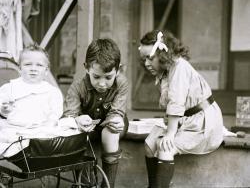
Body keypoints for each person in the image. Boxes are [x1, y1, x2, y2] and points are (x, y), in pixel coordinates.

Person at [138, 30, 224, 188]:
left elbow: (176, 103)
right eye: (144, 59)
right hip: (186, 120)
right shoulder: (165, 71)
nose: (146, 64)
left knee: (165, 148)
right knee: (150, 143)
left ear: (163, 54)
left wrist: (170, 133)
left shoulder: (179, 67)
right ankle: (154, 185)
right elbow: (170, 103)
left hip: (202, 123)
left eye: (150, 58)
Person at [63, 38, 128, 188]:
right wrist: (77, 120)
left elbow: (117, 111)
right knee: (80, 136)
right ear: (86, 68)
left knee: (110, 132)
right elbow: (69, 115)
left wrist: (117, 119)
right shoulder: (77, 87)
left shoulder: (122, 83)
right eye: (96, 77)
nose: (102, 83)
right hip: (87, 127)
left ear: (118, 70)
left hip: (113, 124)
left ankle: (108, 185)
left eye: (108, 77)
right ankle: (86, 184)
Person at [0, 45, 77, 157]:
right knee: (6, 134)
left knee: (68, 127)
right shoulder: (10, 88)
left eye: (39, 65)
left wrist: (51, 122)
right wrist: (4, 109)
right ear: (20, 68)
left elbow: (56, 111)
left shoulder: (51, 91)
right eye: (27, 64)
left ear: (46, 71)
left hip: (42, 129)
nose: (33, 68)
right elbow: (2, 108)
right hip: (17, 129)